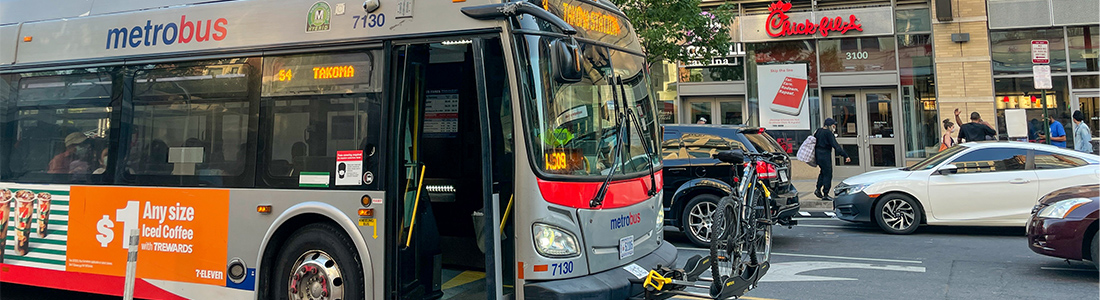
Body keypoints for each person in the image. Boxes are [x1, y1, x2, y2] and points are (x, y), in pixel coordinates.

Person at [814, 118, 850, 200]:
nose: (835, 126)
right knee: (828, 174)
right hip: (825, 155)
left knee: (823, 172)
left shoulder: (818, 131)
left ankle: (818, 189)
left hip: (818, 155)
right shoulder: (828, 133)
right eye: (834, 125)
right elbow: (835, 146)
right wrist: (845, 155)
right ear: (830, 125)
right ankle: (826, 193)